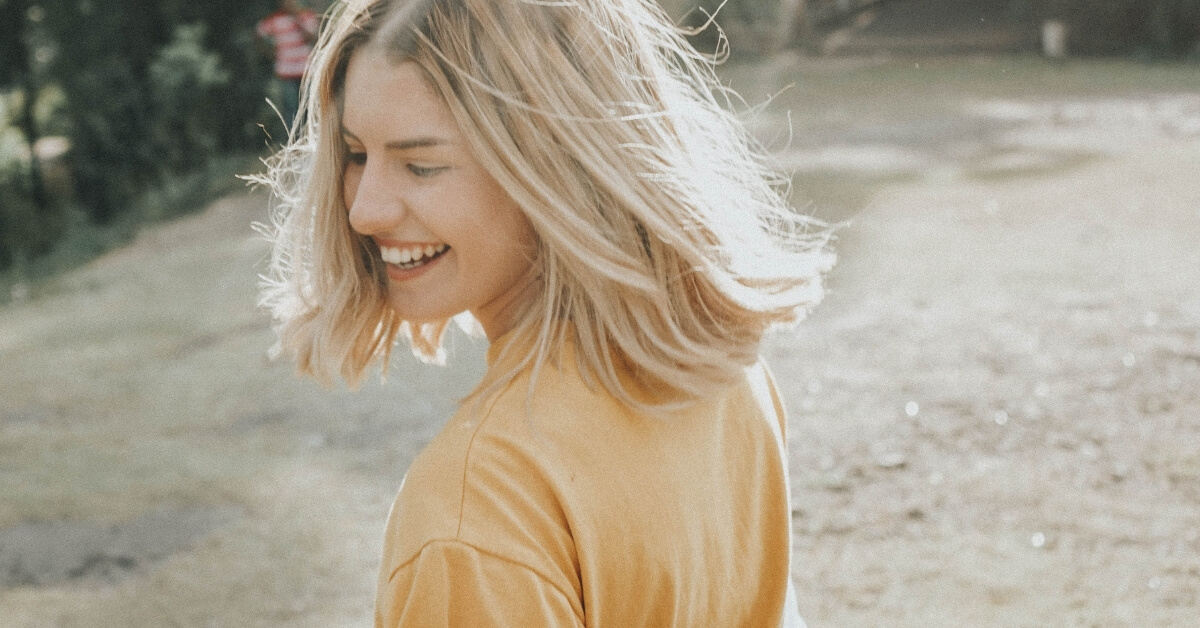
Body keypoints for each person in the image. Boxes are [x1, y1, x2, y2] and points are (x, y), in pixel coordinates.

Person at [258, 0, 833, 625]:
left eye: (422, 164)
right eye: (356, 155)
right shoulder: (717, 361)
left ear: (553, 166)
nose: (364, 212)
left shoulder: (474, 513)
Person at [255, 0, 320, 132]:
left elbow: (312, 36)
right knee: (291, 110)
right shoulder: (275, 19)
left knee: (310, 107)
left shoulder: (306, 15)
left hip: (306, 71)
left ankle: (311, 138)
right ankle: (294, 140)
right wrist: (269, 53)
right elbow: (258, 33)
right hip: (286, 72)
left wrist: (296, 18)